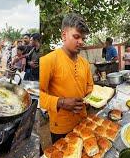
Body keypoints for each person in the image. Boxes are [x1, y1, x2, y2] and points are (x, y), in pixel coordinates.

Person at [39, 13, 93, 143]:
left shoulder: (84, 63)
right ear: (64, 35)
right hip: (61, 128)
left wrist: (88, 98)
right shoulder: (48, 61)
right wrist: (60, 102)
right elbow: (38, 95)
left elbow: (89, 86)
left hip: (83, 121)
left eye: (83, 38)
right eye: (76, 36)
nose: (81, 41)